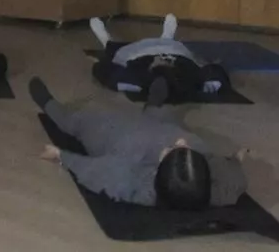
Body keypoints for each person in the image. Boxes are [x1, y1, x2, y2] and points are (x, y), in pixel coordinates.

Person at [29, 77, 247, 209]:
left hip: (116, 134)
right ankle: (153, 106)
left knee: (76, 122)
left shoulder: (130, 180)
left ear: (158, 171)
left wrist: (61, 156)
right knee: (166, 119)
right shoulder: (216, 186)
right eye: (185, 148)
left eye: (174, 149)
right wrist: (236, 159)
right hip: (161, 126)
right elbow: (234, 178)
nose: (181, 141)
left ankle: (49, 104)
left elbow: (93, 171)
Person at [89, 14, 230, 103]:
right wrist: (205, 83)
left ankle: (106, 40)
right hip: (173, 50)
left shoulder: (138, 81)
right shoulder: (190, 79)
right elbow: (216, 74)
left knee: (114, 52)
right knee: (168, 46)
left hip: (137, 53)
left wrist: (102, 62)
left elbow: (107, 73)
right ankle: (166, 37)